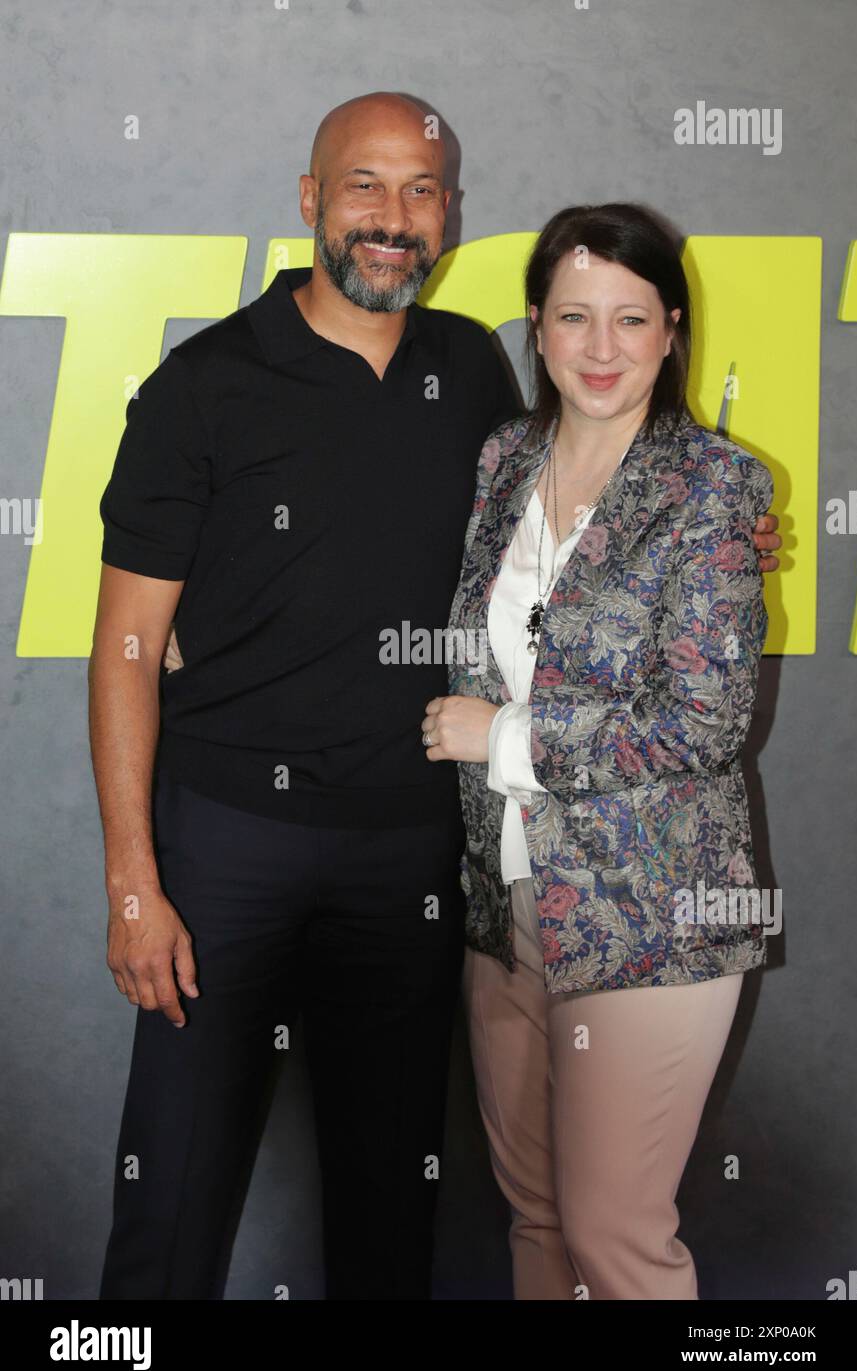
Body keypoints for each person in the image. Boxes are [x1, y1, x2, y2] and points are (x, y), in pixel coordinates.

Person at [90, 91, 780, 1302]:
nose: (393, 218)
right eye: (364, 185)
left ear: (447, 218)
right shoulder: (201, 387)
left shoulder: (467, 370)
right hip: (228, 847)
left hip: (417, 860)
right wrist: (135, 884)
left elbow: (592, 516)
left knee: (390, 1208)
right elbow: (126, 651)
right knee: (175, 1195)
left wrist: (728, 527)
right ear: (310, 201)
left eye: (421, 192)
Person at [424, 202, 774, 1299]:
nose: (601, 348)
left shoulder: (712, 486)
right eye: (573, 317)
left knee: (614, 1237)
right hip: (506, 902)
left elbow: (704, 721)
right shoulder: (500, 461)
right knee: (532, 1217)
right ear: (536, 326)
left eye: (630, 319)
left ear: (670, 330)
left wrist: (506, 739)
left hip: (650, 915)